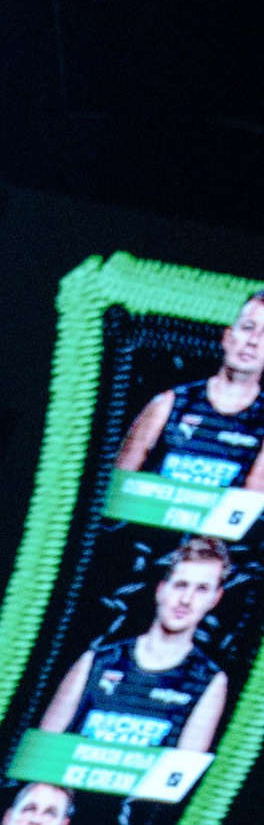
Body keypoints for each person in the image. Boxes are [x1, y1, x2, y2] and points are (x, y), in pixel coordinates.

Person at [34, 538, 232, 787]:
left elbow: (178, 781)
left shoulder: (209, 680)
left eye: (202, 589)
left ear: (215, 598)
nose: (186, 599)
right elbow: (41, 754)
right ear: (161, 589)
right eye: (181, 585)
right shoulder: (97, 660)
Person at [113, 297, 264, 496]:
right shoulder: (169, 402)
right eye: (248, 327)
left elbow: (252, 500)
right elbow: (117, 485)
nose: (253, 341)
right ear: (227, 337)